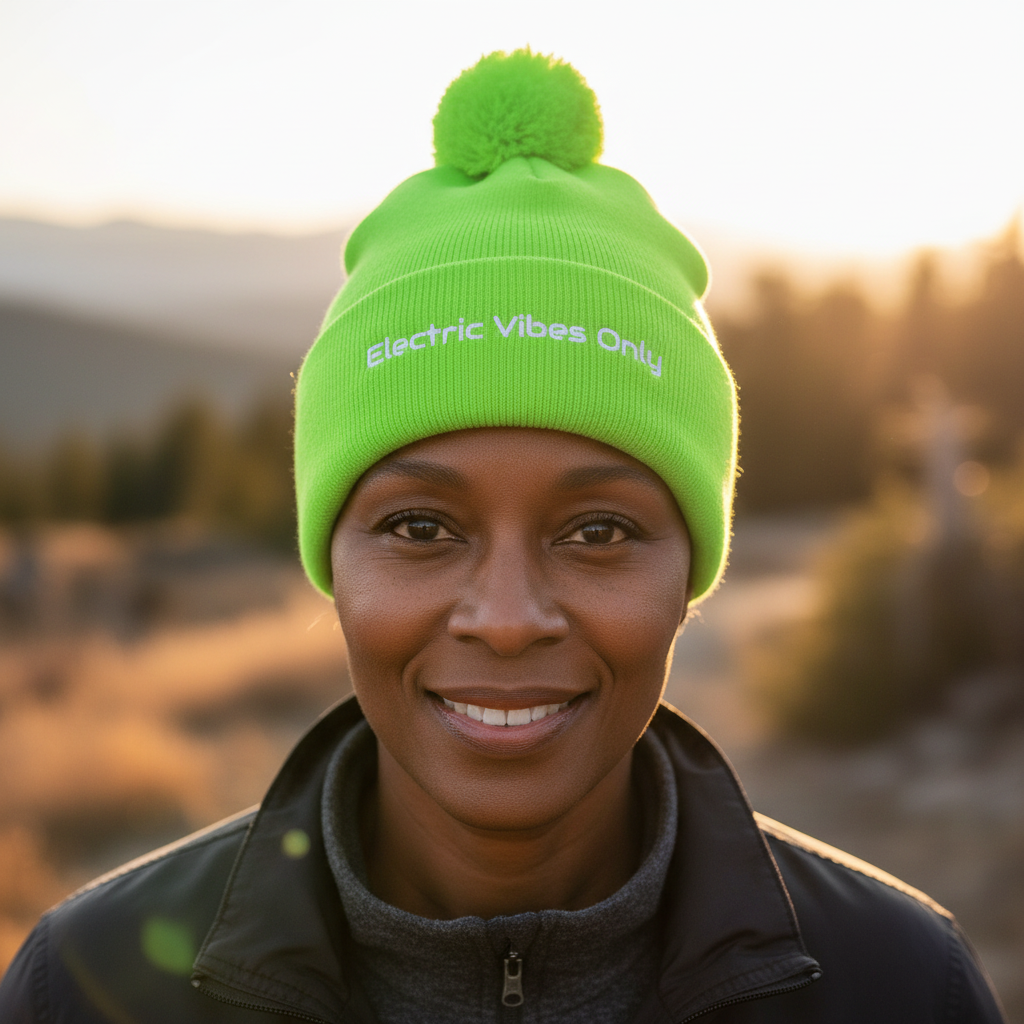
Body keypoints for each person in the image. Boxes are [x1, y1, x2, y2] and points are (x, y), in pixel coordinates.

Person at [0, 48, 1006, 1024]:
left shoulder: (901, 986)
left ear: (691, 568)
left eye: (598, 529)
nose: (509, 619)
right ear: (330, 561)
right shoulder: (83, 990)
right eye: (421, 527)